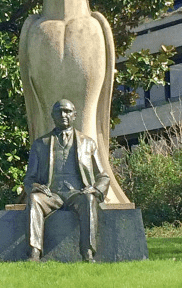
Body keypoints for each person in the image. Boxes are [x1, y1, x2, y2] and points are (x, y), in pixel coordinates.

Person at [24, 99, 110, 262]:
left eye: (67, 111)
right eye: (59, 111)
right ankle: (34, 253)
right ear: (52, 116)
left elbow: (103, 176)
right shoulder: (40, 144)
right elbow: (29, 178)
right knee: (34, 199)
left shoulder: (88, 143)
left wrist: (95, 189)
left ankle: (88, 253)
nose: (63, 115)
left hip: (77, 193)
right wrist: (35, 187)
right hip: (51, 195)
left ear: (74, 115)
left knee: (89, 199)